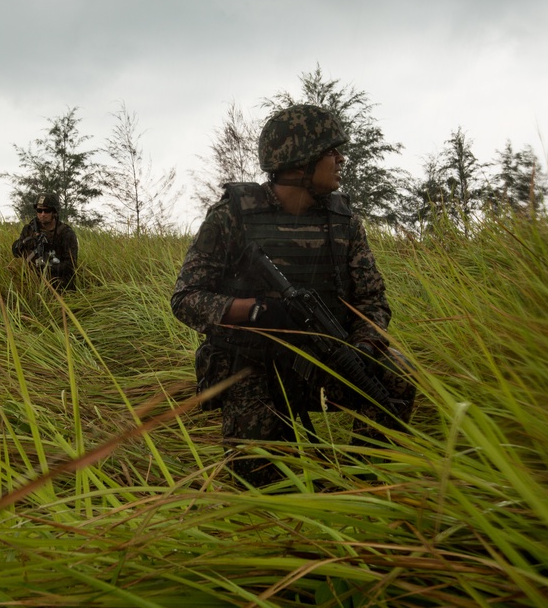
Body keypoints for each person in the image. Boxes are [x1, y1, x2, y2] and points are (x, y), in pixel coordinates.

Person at [170, 104, 416, 487]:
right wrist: (253, 312)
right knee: (261, 487)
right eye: (331, 151)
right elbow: (185, 298)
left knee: (397, 374)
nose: (341, 159)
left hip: (326, 359)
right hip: (253, 368)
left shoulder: (343, 220)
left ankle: (360, 482)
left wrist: (362, 347)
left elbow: (372, 300)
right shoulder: (232, 215)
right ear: (300, 160)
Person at [11, 192, 79, 291]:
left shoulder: (65, 233)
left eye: (46, 211)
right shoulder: (29, 229)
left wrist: (49, 266)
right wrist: (24, 243)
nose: (42, 214)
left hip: (61, 287)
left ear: (54, 211)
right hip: (34, 284)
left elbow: (71, 265)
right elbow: (16, 253)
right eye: (39, 210)